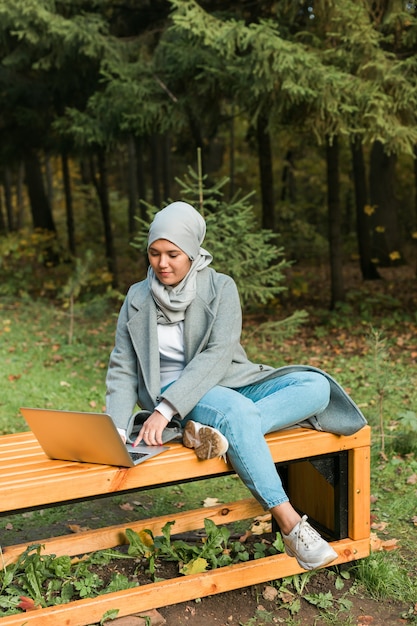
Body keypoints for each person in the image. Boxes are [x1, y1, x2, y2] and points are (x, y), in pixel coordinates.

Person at [105, 201, 367, 571]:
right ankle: (292, 526)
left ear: (193, 252)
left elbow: (218, 353)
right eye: (154, 253)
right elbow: (121, 367)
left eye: (172, 254)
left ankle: (217, 433)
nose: (162, 263)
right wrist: (117, 428)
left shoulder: (220, 287)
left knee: (315, 386)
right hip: (179, 397)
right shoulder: (137, 298)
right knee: (238, 413)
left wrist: (167, 415)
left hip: (229, 381)